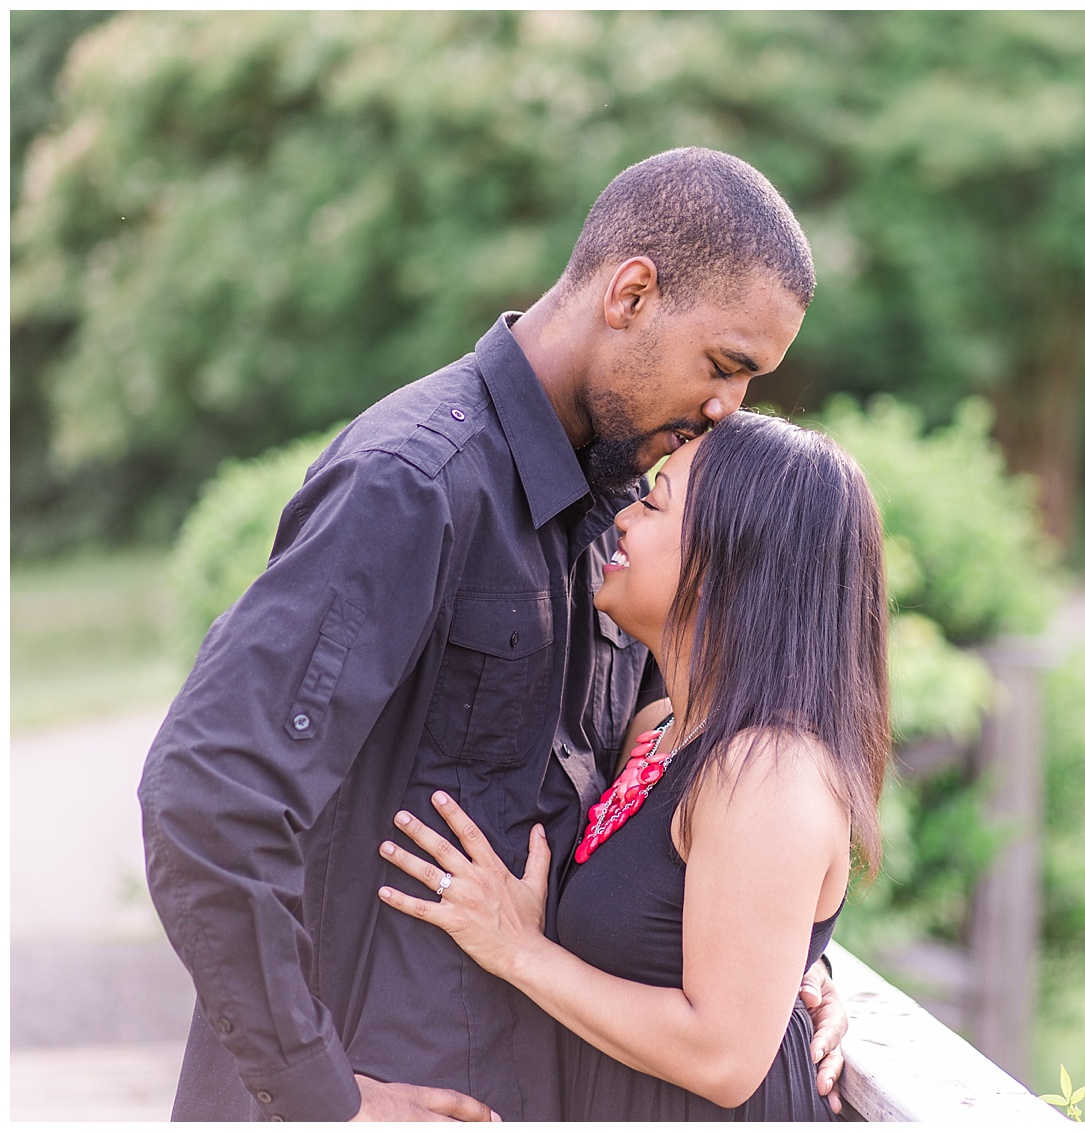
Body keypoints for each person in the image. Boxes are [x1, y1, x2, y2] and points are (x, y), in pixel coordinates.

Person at [137, 148, 849, 1122]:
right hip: (379, 1083)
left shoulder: (616, 509)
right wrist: (321, 1097)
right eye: (725, 366)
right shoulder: (416, 479)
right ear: (631, 294)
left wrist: (781, 971)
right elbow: (208, 793)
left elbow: (665, 802)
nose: (729, 410)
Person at [377, 411, 888, 1119]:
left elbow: (725, 1058)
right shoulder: (661, 733)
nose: (622, 519)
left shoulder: (772, 772)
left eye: (653, 502)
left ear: (726, 562)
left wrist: (519, 948)